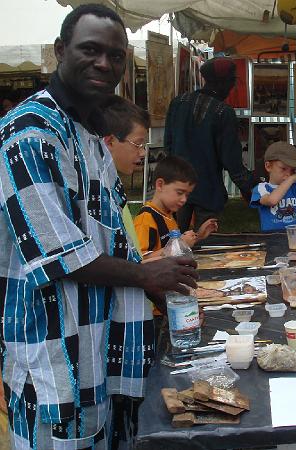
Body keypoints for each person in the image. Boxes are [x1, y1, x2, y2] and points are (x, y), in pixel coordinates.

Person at [0, 5, 199, 449]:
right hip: (49, 343)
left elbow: (111, 239)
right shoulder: (29, 133)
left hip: (96, 338)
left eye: (115, 56)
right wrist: (147, 275)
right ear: (59, 51)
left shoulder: (88, 135)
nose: (104, 64)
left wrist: (156, 275)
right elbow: (59, 255)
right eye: (90, 50)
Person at [164, 57, 256, 232]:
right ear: (223, 82)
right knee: (206, 240)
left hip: (177, 186)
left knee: (177, 241)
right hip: (207, 190)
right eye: (231, 81)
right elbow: (232, 160)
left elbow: (168, 146)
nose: (232, 87)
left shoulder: (178, 103)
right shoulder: (223, 112)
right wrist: (251, 188)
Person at [134, 155, 217, 258]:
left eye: (187, 195)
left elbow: (170, 246)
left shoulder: (168, 214)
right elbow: (140, 260)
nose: (184, 199)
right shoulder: (145, 220)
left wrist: (198, 236)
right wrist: (181, 244)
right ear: (160, 185)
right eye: (179, 192)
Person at [102, 94, 151, 251]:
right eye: (137, 144)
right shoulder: (98, 189)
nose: (143, 152)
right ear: (110, 141)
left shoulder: (113, 183)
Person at [250, 141, 296, 231]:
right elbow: (272, 200)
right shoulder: (261, 188)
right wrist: (291, 179)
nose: (288, 174)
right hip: (272, 240)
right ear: (268, 166)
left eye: (292, 170)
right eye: (283, 168)